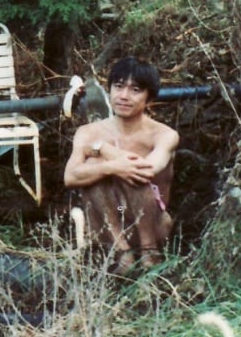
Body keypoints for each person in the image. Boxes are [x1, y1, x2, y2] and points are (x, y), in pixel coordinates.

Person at [63, 56, 179, 273]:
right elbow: (70, 177)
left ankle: (148, 254)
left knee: (131, 172)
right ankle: (122, 253)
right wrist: (109, 166)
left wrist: (105, 150)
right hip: (107, 225)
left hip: (151, 225)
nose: (124, 96)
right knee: (97, 166)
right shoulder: (88, 132)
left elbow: (146, 170)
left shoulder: (164, 134)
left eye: (135, 90)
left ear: (149, 98)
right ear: (110, 90)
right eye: (118, 87)